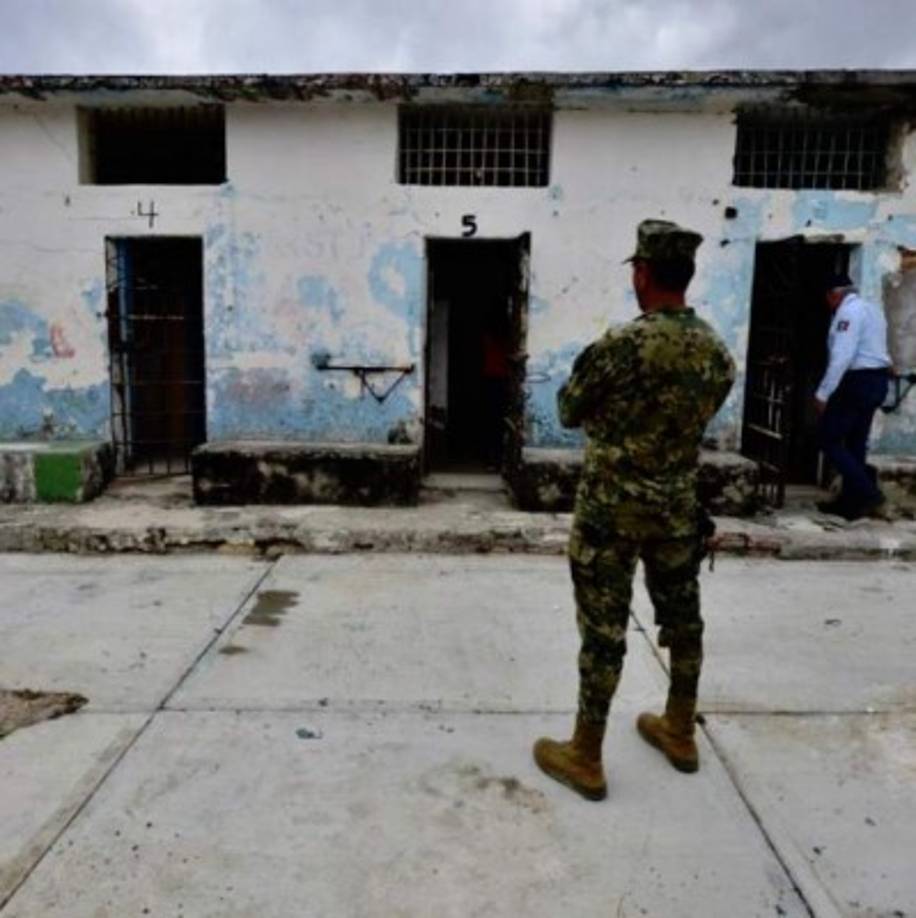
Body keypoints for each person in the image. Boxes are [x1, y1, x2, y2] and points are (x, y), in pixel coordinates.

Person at [532, 219, 735, 801]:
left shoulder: (623, 345)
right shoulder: (715, 352)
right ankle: (679, 728)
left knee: (603, 632)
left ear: (642, 274)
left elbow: (570, 410)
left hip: (610, 513)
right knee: (684, 620)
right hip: (675, 508)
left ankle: (586, 755)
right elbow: (697, 417)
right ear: (686, 275)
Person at [814, 273, 891, 521]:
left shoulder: (847, 313)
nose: (829, 305)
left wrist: (823, 393)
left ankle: (869, 492)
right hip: (876, 381)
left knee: (828, 438)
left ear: (834, 295)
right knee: (856, 444)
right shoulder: (873, 310)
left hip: (857, 381)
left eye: (828, 299)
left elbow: (842, 356)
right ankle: (851, 506)